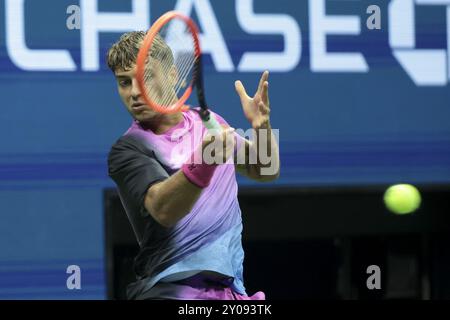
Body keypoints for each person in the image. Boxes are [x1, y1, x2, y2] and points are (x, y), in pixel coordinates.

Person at [107, 31, 280, 300]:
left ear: (173, 75)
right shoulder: (129, 148)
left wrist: (262, 127)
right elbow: (163, 209)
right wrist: (205, 160)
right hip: (170, 290)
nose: (135, 92)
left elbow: (265, 169)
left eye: (145, 77)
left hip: (230, 291)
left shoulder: (209, 122)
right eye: (124, 83)